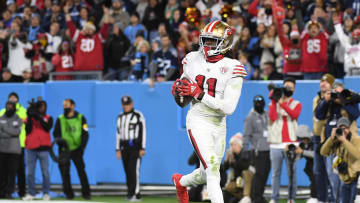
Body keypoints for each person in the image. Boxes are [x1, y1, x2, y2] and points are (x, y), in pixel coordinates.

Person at [171, 20, 247, 203]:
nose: (207, 45)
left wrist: (199, 93)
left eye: (213, 41)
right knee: (213, 168)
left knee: (208, 171)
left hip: (219, 123)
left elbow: (229, 108)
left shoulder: (233, 67)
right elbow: (183, 90)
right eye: (205, 40)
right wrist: (179, 92)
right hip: (198, 119)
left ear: (225, 42)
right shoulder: (192, 59)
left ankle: (181, 182)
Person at [268, 77, 302, 203]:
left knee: (291, 173)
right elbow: (271, 117)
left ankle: (291, 198)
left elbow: (294, 115)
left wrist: (281, 103)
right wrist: (273, 100)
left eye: (291, 88)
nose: (289, 89)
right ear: (282, 87)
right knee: (275, 174)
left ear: (294, 90)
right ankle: (273, 198)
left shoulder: (297, 103)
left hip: (291, 143)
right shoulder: (273, 103)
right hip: (276, 143)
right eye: (286, 87)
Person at [53, 99, 91, 200]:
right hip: (64, 149)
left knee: (81, 171)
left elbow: (85, 134)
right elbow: (55, 134)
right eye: (64, 105)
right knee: (64, 172)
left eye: (67, 105)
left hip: (77, 149)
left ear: (73, 106)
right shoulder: (60, 119)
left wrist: (82, 148)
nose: (65, 107)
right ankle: (68, 194)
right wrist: (60, 144)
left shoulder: (81, 118)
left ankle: (86, 193)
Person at [320, 117, 360, 203]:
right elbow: (323, 152)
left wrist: (344, 141)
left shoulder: (357, 140)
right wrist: (331, 138)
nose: (343, 131)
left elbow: (357, 155)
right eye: (340, 128)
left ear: (349, 129)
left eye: (345, 128)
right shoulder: (337, 141)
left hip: (356, 179)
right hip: (344, 178)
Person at [116, 96, 146, 201]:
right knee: (127, 170)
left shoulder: (138, 115)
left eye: (128, 104)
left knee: (134, 170)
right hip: (124, 146)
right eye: (124, 104)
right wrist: (117, 149)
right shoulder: (120, 116)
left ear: (132, 104)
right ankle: (130, 193)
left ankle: (136, 194)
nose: (126, 106)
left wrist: (142, 147)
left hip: (135, 146)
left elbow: (143, 131)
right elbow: (118, 133)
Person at [64, 4, 110, 72]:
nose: (88, 30)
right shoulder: (79, 37)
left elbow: (105, 27)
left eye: (90, 28)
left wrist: (106, 14)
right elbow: (70, 25)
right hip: (80, 70)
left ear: (94, 30)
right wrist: (67, 13)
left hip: (95, 70)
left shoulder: (98, 37)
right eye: (86, 28)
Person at [312, 73, 336, 203]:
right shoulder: (317, 98)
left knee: (331, 172)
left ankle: (333, 199)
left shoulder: (335, 98)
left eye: (326, 82)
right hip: (317, 138)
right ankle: (322, 199)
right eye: (322, 81)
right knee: (318, 171)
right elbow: (318, 115)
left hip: (329, 138)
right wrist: (324, 100)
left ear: (332, 84)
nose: (323, 84)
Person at [22, 100, 53, 201]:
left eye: (43, 106)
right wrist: (30, 116)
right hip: (31, 148)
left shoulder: (49, 118)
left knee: (45, 172)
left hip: (43, 149)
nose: (41, 108)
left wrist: (38, 117)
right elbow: (28, 130)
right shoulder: (29, 119)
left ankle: (46, 193)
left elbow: (47, 127)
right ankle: (31, 193)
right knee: (30, 173)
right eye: (39, 107)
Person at [243, 95, 270, 203]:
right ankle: (256, 197)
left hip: (269, 149)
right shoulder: (250, 117)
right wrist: (245, 149)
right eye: (256, 103)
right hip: (258, 151)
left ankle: (260, 195)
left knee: (266, 173)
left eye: (260, 102)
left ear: (263, 103)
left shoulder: (267, 115)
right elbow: (246, 135)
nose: (258, 104)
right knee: (258, 174)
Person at [0, 92, 27, 198]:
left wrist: (5, 129)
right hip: (2, 147)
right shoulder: (2, 113)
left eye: (14, 99)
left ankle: (18, 192)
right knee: (2, 171)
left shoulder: (21, 113)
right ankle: (2, 191)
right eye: (9, 100)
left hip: (17, 147)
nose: (11, 102)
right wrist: (10, 131)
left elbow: (17, 132)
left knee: (16, 171)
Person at [223, 133, 254, 203]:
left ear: (240, 145)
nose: (232, 147)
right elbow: (224, 168)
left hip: (247, 179)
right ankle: (242, 198)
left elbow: (244, 167)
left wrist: (234, 162)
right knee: (228, 187)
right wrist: (226, 160)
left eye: (234, 145)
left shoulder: (246, 153)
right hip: (238, 180)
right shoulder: (233, 155)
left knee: (245, 173)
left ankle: (247, 197)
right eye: (231, 145)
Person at [296, 125, 317, 203]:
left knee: (315, 178)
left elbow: (316, 155)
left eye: (303, 138)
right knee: (313, 179)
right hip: (310, 166)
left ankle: (314, 197)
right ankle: (314, 196)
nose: (302, 140)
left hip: (319, 166)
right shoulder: (302, 144)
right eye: (300, 139)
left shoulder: (315, 141)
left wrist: (303, 152)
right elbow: (297, 158)